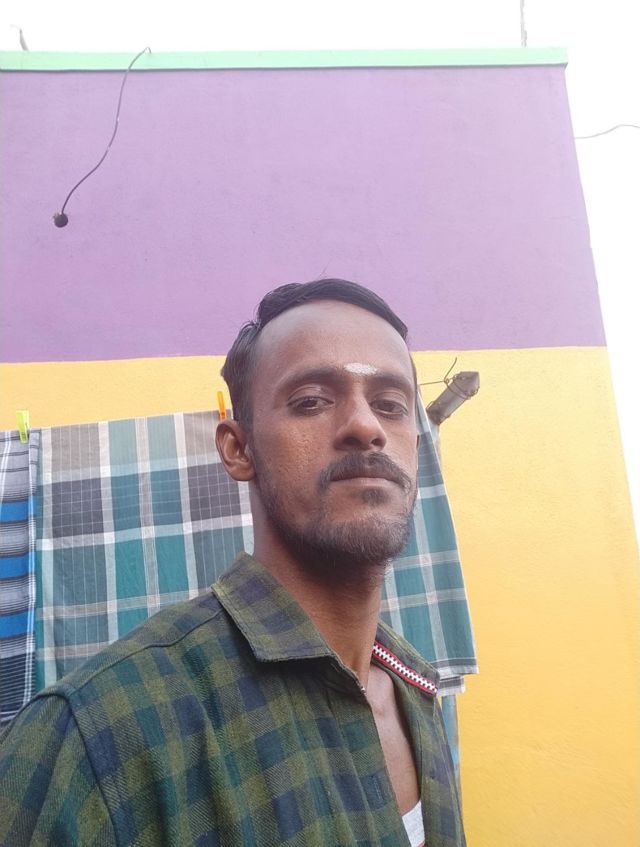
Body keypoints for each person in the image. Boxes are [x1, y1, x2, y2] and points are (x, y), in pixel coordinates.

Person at [0, 279, 465, 846]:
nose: (366, 427)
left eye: (390, 405)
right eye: (311, 400)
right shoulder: (94, 738)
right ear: (238, 449)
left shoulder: (417, 686)